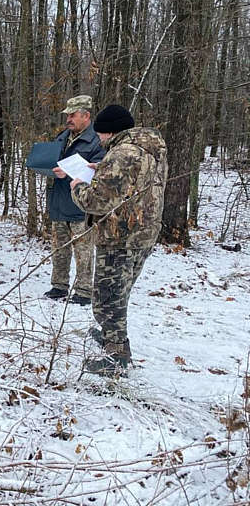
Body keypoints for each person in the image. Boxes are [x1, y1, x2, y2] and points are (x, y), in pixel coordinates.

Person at [70, 104, 168, 375]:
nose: (99, 140)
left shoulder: (122, 153)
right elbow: (136, 181)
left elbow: (96, 201)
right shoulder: (150, 147)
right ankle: (111, 336)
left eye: (101, 134)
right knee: (120, 290)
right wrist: (103, 167)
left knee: (108, 297)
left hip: (120, 235)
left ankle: (117, 355)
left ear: (110, 131)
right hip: (144, 232)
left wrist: (78, 187)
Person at [44, 95, 105, 305]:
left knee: (83, 250)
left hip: (82, 204)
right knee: (59, 247)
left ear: (86, 116)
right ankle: (59, 285)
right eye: (67, 115)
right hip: (60, 200)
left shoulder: (97, 140)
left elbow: (100, 170)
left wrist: (69, 174)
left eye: (73, 115)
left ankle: (84, 290)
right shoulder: (62, 137)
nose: (68, 119)